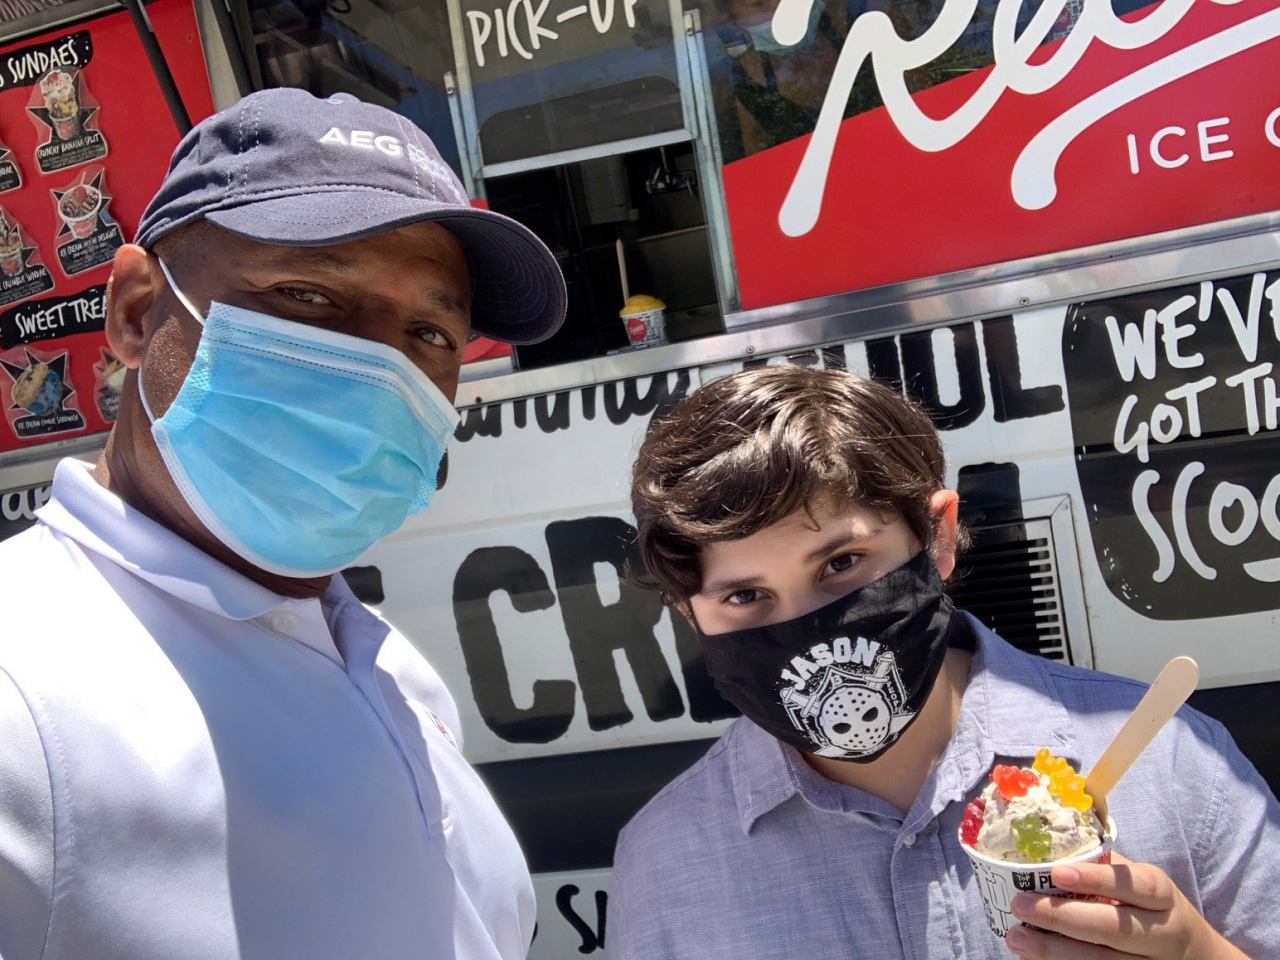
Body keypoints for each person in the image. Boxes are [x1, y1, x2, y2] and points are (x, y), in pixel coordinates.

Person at [0, 88, 566, 960]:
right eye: (307, 294)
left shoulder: (385, 665)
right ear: (138, 310)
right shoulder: (21, 696)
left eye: (429, 332)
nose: (379, 370)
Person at [609, 366, 1280, 960]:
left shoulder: (1165, 757)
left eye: (842, 563)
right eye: (745, 595)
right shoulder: (665, 862)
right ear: (687, 610)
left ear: (938, 537)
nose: (804, 627)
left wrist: (1195, 952)